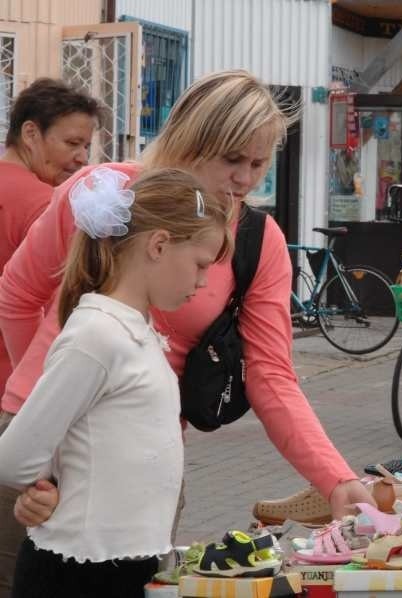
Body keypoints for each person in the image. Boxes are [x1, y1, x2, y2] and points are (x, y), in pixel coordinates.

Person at [0, 70, 375, 592]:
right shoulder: (106, 194)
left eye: (258, 164)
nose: (244, 179)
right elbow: (18, 296)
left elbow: (270, 375)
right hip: (42, 446)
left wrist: (335, 478)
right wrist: (41, 401)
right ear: (190, 141)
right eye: (231, 159)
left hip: (140, 451)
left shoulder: (257, 241)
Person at [0, 166, 232, 597]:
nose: (203, 283)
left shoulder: (134, 331)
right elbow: (14, 457)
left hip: (122, 566)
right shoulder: (97, 335)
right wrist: (43, 486)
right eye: (200, 265)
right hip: (79, 573)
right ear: (159, 245)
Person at [0, 78, 102, 596]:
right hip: (18, 408)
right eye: (71, 143)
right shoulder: (47, 205)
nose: (80, 158)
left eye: (87, 146)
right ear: (31, 134)